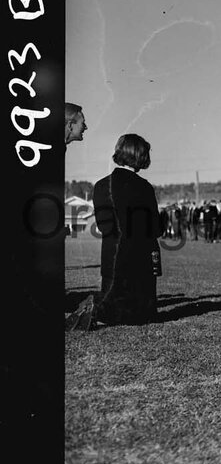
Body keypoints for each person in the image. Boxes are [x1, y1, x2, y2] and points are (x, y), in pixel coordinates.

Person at [66, 134, 161, 331]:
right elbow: (155, 228)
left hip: (111, 256)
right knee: (143, 314)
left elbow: (103, 226)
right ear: (139, 155)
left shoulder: (101, 185)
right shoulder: (144, 187)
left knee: (114, 305)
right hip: (140, 259)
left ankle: (94, 308)